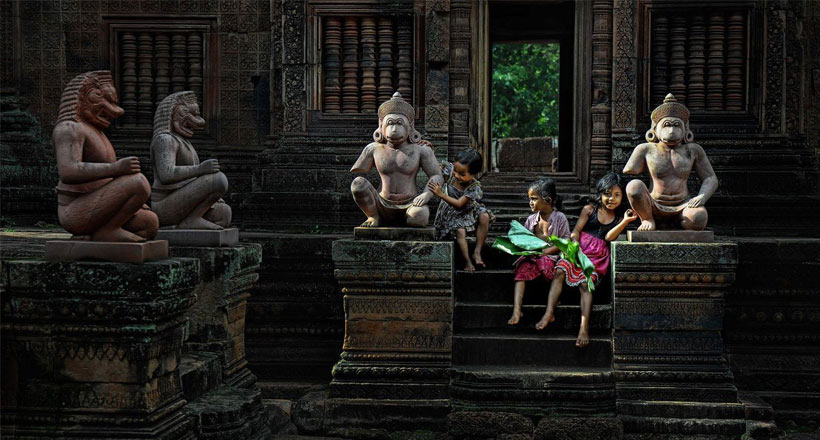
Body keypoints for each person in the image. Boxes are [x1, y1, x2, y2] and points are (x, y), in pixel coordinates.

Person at [539, 172, 639, 347]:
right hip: (579, 249)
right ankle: (549, 312)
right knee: (559, 271)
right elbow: (576, 230)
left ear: (622, 196)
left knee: (586, 284)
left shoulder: (619, 216)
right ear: (600, 193)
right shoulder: (589, 210)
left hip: (597, 257)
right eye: (607, 194)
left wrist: (624, 222)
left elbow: (608, 238)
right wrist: (575, 243)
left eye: (617, 195)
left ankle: (584, 327)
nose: (611, 199)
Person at [624, 93, 718, 231]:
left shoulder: (693, 150)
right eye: (667, 125)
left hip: (684, 204)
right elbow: (630, 170)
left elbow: (710, 177)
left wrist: (702, 197)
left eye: (677, 125)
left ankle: (680, 222)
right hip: (652, 204)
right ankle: (647, 219)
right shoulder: (646, 149)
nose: (672, 131)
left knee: (698, 219)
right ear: (655, 129)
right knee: (633, 186)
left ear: (685, 129)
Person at [350, 92, 443, 227]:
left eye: (399, 123)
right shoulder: (373, 148)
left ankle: (410, 215)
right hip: (381, 202)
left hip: (411, 203)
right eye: (390, 124)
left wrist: (426, 195)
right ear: (381, 126)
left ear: (410, 126)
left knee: (419, 217)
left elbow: (437, 175)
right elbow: (358, 174)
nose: (394, 129)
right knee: (358, 184)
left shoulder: (421, 149)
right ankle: (373, 216)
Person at [507, 177, 571, 326]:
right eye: (530, 199)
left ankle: (550, 312)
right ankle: (517, 309)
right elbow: (526, 240)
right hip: (534, 257)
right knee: (521, 270)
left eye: (534, 199)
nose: (530, 202)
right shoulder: (531, 219)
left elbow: (565, 241)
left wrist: (546, 252)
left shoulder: (559, 218)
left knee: (549, 267)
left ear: (547, 200)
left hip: (552, 256)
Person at [429, 149, 495, 272]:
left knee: (485, 216)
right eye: (455, 170)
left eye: (462, 174)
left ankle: (477, 251)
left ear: (474, 174)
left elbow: (459, 204)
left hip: (467, 211)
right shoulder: (449, 171)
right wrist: (428, 147)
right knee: (460, 231)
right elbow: (432, 163)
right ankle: (467, 261)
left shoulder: (474, 188)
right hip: (451, 213)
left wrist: (441, 194)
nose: (457, 175)